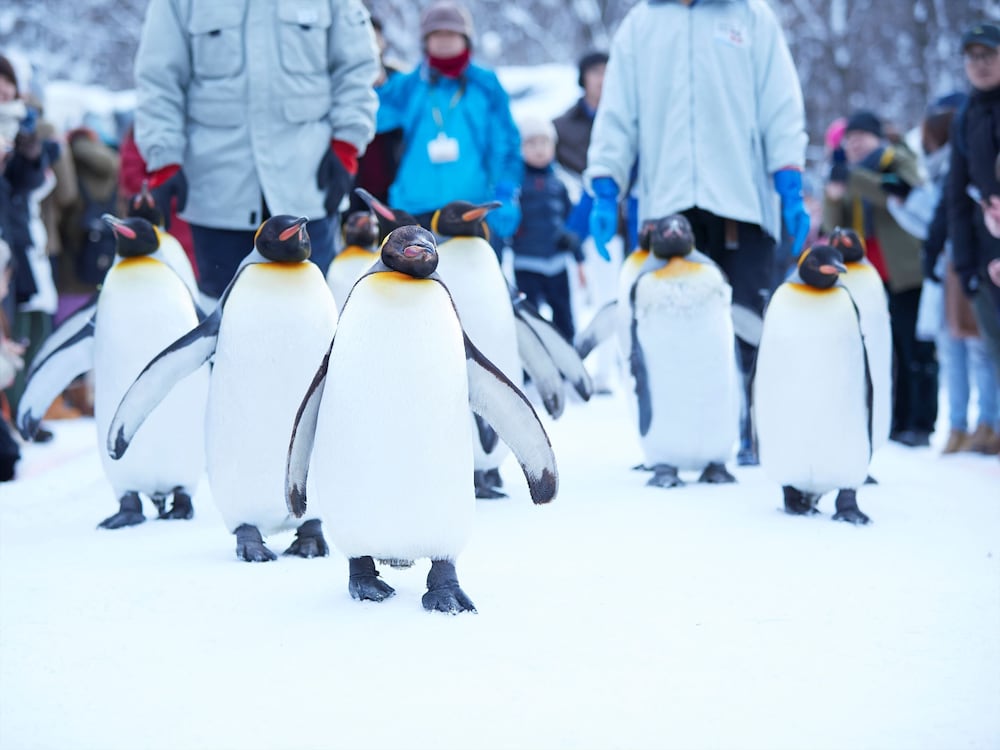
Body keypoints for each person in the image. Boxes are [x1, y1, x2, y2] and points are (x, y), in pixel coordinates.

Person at [583, 0, 810, 465]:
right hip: (667, 202)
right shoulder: (643, 23)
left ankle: (755, 431)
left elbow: (779, 103)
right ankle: (669, 437)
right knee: (665, 329)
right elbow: (618, 111)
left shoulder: (749, 17)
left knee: (748, 326)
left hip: (740, 201)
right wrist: (607, 182)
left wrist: (788, 179)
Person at [132, 0, 380, 302]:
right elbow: (158, 77)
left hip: (308, 183)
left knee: (311, 318)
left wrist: (346, 145)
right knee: (222, 318)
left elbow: (357, 68)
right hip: (219, 193)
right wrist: (164, 158)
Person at [824, 109, 936, 447]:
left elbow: (899, 193)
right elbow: (834, 227)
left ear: (877, 137)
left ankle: (921, 422)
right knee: (887, 351)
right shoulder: (850, 173)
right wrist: (833, 195)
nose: (854, 144)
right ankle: (897, 420)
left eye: (860, 137)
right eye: (849, 139)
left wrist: (854, 178)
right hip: (868, 276)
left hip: (904, 271)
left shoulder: (897, 160)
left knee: (915, 347)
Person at [373, 1, 522, 253]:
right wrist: (369, 80)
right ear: (425, 41)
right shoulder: (408, 85)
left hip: (472, 209)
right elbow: (371, 116)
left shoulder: (486, 85)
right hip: (414, 209)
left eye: (451, 33)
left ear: (466, 39)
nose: (444, 40)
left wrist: (506, 190)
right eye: (436, 34)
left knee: (475, 290)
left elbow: (505, 143)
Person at [919, 94, 1000, 456]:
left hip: (976, 255)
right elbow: (947, 208)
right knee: (961, 344)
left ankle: (986, 423)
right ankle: (964, 425)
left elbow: (946, 208)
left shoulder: (972, 157)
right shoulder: (956, 162)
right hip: (964, 258)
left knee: (981, 345)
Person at [555, 50, 624, 394]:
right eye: (595, 71)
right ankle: (574, 364)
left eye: (608, 71)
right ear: (583, 77)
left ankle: (610, 369)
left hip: (619, 224)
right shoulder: (562, 127)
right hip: (572, 229)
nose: (602, 78)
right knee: (576, 297)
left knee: (613, 296)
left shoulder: (627, 119)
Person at [947, 22, 1000, 388]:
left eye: (989, 55)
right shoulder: (966, 116)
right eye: (972, 57)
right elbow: (955, 195)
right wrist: (965, 264)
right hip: (986, 254)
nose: (979, 64)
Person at [511, 115, 585, 341]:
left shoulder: (560, 183)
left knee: (564, 316)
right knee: (529, 319)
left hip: (557, 264)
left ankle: (568, 365)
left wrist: (579, 259)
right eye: (531, 143)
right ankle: (530, 369)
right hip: (526, 264)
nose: (539, 149)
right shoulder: (515, 183)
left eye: (544, 142)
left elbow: (571, 222)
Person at [347, 15, 408, 215]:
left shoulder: (399, 80)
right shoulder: (342, 81)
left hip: (391, 179)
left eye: (375, 37)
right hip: (353, 180)